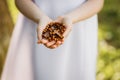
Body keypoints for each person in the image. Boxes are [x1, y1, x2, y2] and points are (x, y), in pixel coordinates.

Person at [1, 0, 104, 80]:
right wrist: (40, 18)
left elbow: (97, 1)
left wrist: (71, 18)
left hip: (80, 23)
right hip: (36, 21)